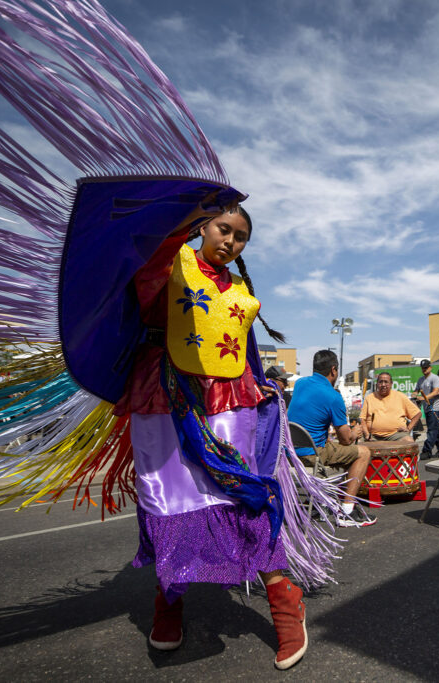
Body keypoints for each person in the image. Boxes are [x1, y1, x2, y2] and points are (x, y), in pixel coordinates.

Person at [112, 203, 308, 668]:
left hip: (227, 399)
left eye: (240, 238)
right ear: (203, 226)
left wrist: (263, 388)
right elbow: (137, 289)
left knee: (239, 494)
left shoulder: (240, 290)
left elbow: (245, 351)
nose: (230, 242)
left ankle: (285, 603)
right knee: (167, 498)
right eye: (224, 229)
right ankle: (169, 600)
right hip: (162, 391)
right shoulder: (169, 260)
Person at [287, 350, 376, 527]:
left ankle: (331, 498)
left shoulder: (300, 384)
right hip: (312, 453)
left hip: (289, 451)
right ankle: (347, 511)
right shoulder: (333, 396)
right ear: (333, 370)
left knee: (341, 451)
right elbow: (345, 440)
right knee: (363, 452)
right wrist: (356, 432)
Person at [360, 372, 421, 441]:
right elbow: (362, 419)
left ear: (391, 384)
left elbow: (417, 414)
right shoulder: (369, 398)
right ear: (377, 384)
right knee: (357, 446)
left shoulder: (400, 396)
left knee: (408, 441)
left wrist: (408, 429)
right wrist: (367, 434)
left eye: (386, 382)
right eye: (380, 382)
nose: (383, 385)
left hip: (396, 435)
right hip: (373, 436)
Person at [414, 360, 439, 459]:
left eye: (426, 367)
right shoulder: (420, 380)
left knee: (432, 430)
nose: (424, 369)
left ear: (430, 367)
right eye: (423, 368)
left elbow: (436, 392)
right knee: (435, 429)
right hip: (427, 408)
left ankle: (426, 451)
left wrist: (424, 398)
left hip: (435, 408)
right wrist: (414, 395)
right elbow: (416, 391)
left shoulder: (435, 378)